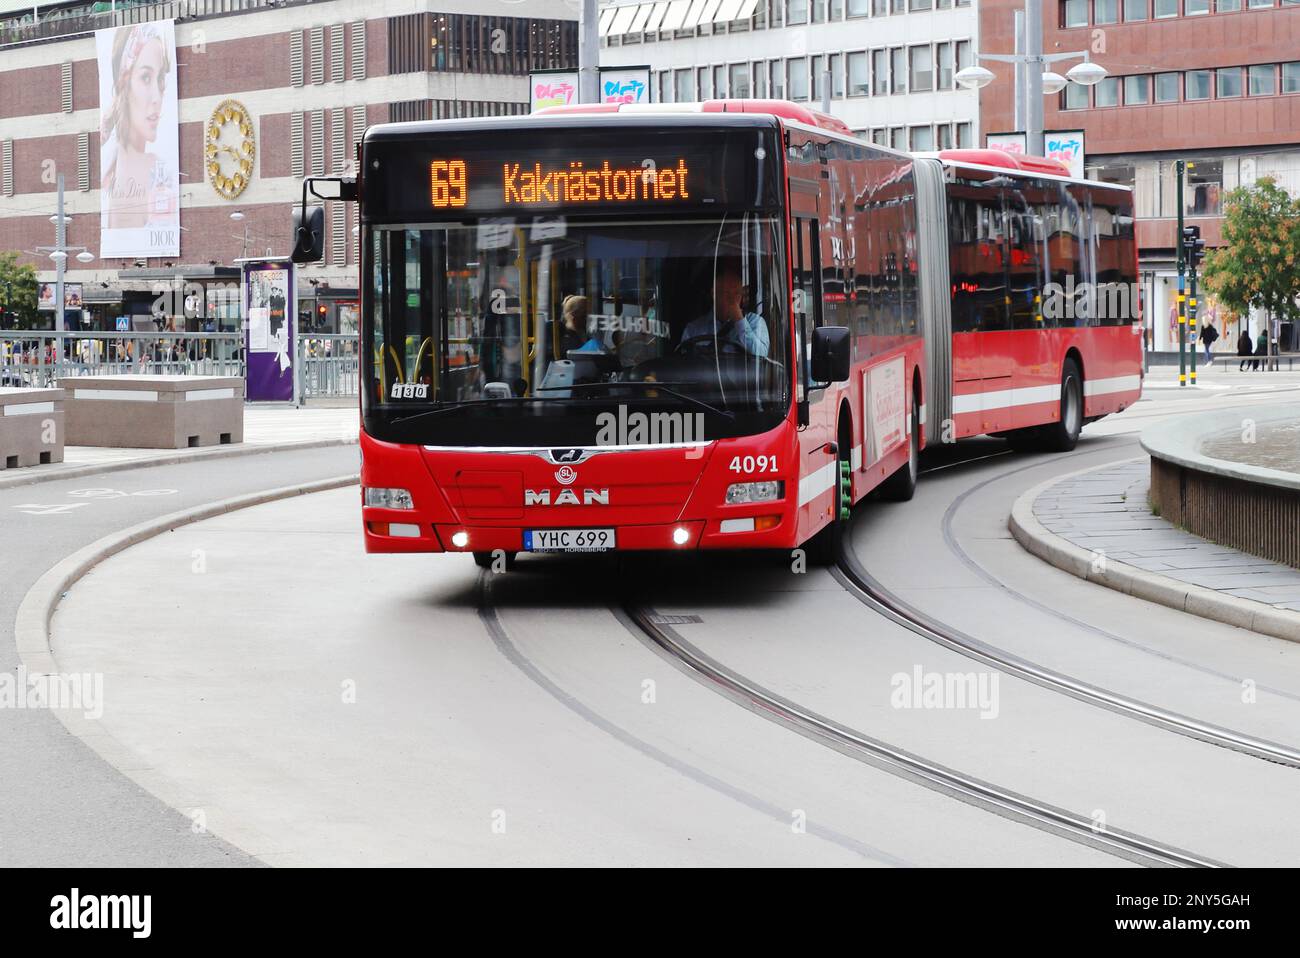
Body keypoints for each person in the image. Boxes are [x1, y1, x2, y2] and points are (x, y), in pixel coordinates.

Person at [101, 24, 177, 231]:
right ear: (123, 85)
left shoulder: (165, 179)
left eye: (160, 79)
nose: (157, 97)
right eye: (145, 77)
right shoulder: (104, 177)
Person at [679, 264, 770, 357]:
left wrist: (739, 321)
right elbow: (684, 363)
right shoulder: (693, 329)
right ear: (714, 294)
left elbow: (761, 355)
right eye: (726, 293)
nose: (732, 299)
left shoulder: (755, 322)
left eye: (737, 293)